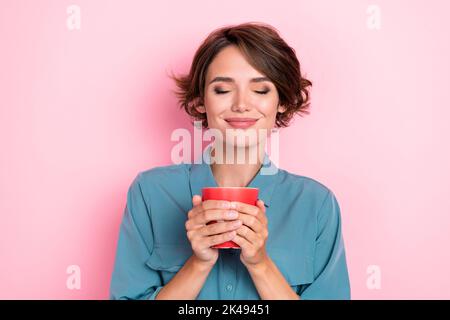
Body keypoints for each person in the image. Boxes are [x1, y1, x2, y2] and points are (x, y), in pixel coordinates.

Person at [110, 22, 350, 300]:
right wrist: (198, 264)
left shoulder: (316, 204)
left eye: (260, 90)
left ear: (282, 100)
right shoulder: (150, 192)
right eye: (222, 90)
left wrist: (260, 265)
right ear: (201, 101)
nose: (240, 104)